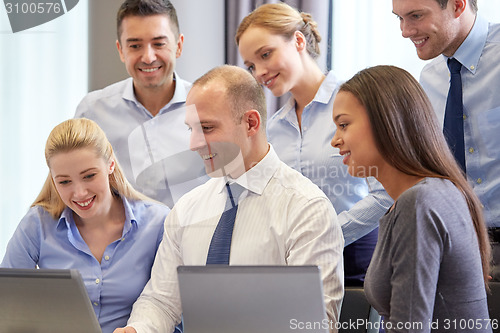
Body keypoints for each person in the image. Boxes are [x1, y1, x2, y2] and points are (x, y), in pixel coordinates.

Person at [113, 65, 344, 333]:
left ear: (251, 123)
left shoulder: (306, 208)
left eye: (207, 128)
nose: (194, 144)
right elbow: (162, 301)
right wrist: (137, 329)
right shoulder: (187, 209)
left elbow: (315, 325)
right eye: (191, 129)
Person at [235, 3, 393, 286]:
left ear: (297, 41)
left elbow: (386, 194)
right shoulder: (273, 129)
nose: (258, 73)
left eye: (265, 54)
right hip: (295, 268)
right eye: (250, 65)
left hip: (357, 264)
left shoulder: (358, 102)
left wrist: (325, 234)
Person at [331, 65, 491, 332]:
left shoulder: (418, 202)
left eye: (344, 125)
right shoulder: (433, 192)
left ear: (387, 120)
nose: (335, 140)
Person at [1, 118, 169, 333]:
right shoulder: (37, 224)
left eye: (89, 176)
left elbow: (170, 306)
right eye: (64, 182)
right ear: (53, 179)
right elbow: (7, 304)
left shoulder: (157, 223)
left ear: (110, 163)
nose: (79, 193)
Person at [393, 0, 500, 280]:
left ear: (457, 5)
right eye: (399, 19)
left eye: (415, 16)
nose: (405, 31)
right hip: (460, 245)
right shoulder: (430, 78)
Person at [75, 0, 207, 209]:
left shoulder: (208, 107)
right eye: (135, 45)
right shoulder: (92, 111)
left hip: (196, 238)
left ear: (178, 46)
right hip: (121, 240)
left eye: (159, 43)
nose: (148, 57)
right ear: (120, 50)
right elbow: (76, 185)